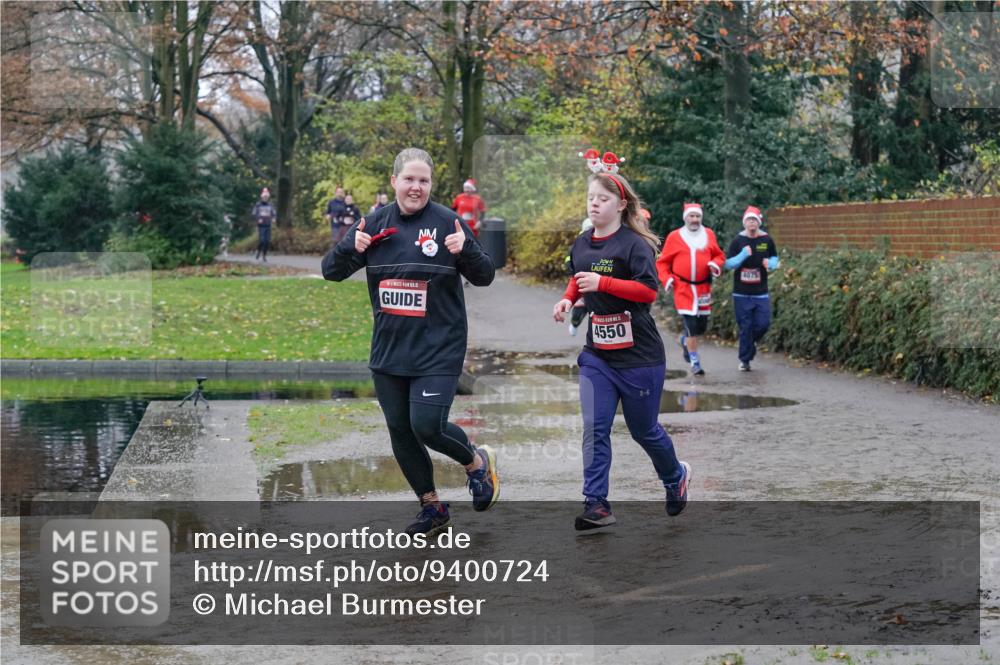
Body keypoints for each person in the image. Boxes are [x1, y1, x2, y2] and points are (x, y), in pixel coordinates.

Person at [321, 148, 498, 536]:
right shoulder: (372, 224)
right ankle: (432, 508)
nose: (416, 187)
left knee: (427, 426)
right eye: (409, 179)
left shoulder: (448, 222)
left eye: (423, 181)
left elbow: (485, 275)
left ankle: (476, 464)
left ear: (431, 184)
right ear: (394, 181)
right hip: (390, 349)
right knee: (401, 430)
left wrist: (467, 250)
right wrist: (351, 247)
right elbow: (331, 272)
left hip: (439, 347)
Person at [552, 157, 690, 531]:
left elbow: (648, 291)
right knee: (595, 427)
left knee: (643, 430)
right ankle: (596, 503)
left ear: (621, 204)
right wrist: (567, 299)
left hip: (639, 356)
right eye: (591, 198)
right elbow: (577, 277)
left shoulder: (635, 245)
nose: (594, 204)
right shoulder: (582, 243)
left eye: (603, 199)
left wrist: (604, 284)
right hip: (598, 356)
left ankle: (674, 476)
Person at [656, 203, 725, 376]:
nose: (695, 220)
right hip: (683, 287)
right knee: (691, 325)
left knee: (701, 326)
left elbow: (719, 255)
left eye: (698, 216)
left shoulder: (708, 234)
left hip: (703, 288)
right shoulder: (675, 236)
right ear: (685, 218)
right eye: (691, 216)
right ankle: (695, 362)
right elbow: (662, 263)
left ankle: (684, 340)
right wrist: (667, 278)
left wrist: (715, 264)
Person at [724, 205, 780, 371]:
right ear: (744, 223)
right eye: (749, 220)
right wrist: (743, 255)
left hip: (761, 292)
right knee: (745, 327)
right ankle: (745, 360)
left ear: (759, 223)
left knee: (763, 324)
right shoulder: (738, 241)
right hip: (741, 293)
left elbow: (775, 258)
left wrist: (771, 264)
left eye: (754, 220)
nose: (752, 223)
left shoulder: (766, 240)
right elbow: (728, 264)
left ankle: (751, 343)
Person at [251, 188, 276, 262]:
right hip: (261, 226)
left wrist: (274, 218)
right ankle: (259, 250)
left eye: (266, 197)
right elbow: (254, 213)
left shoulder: (270, 205)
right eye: (264, 197)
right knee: (262, 241)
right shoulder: (258, 205)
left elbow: (274, 213)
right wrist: (258, 218)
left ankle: (264, 255)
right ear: (262, 197)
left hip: (268, 225)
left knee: (267, 241)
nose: (265, 198)